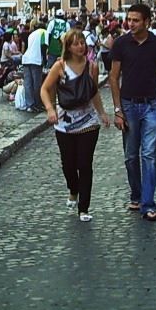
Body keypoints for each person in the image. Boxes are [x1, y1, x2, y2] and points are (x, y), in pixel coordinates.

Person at [108, 3, 156, 222]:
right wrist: (118, 110)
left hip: (152, 104)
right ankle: (136, 195)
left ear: (146, 22)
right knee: (131, 156)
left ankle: (148, 204)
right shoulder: (120, 44)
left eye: (135, 20)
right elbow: (113, 77)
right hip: (128, 105)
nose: (130, 24)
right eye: (129, 20)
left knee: (149, 155)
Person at [40, 28, 109, 222]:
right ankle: (73, 189)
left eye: (82, 43)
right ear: (68, 47)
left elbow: (93, 91)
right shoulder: (59, 66)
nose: (80, 46)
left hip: (88, 121)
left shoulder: (92, 67)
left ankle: (84, 208)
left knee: (84, 164)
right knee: (68, 164)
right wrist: (50, 109)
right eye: (76, 43)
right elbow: (45, 89)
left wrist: (102, 113)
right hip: (64, 121)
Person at [19, 19, 47, 114]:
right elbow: (43, 46)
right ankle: (37, 104)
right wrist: (45, 59)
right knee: (37, 84)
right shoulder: (44, 32)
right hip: (36, 60)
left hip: (26, 59)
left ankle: (29, 105)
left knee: (28, 83)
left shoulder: (32, 34)